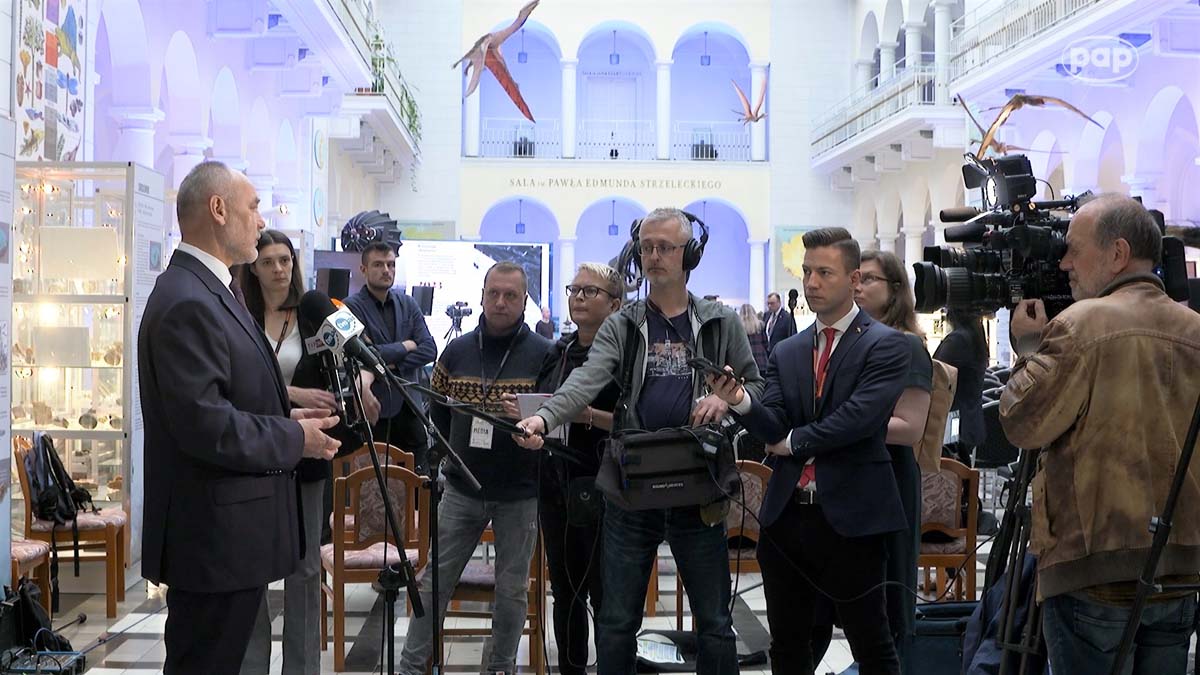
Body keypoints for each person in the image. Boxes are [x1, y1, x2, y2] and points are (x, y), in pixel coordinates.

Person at [516, 207, 765, 675]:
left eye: (665, 247)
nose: (653, 256)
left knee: (714, 622)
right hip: (633, 486)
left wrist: (726, 399)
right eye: (646, 247)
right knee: (615, 622)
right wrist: (545, 418)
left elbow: (758, 387)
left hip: (700, 484)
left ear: (688, 254)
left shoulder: (720, 322)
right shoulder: (623, 324)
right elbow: (588, 378)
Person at [138, 161, 341, 674]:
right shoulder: (189, 299)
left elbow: (230, 395)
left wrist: (289, 407)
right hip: (211, 538)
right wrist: (295, 437)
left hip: (229, 537)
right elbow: (206, 424)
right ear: (219, 210)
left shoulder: (213, 291)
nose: (259, 218)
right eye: (252, 207)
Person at [999, 195, 1200, 675]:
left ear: (1117, 254)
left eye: (1073, 249)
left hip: (1094, 571)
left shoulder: (1080, 324)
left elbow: (1024, 423)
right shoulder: (1195, 329)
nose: (1064, 263)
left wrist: (1028, 349)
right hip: (1180, 567)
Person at [708, 227, 910, 675]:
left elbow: (860, 418)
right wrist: (740, 399)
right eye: (806, 272)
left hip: (853, 518)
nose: (811, 282)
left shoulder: (888, 344)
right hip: (788, 519)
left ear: (854, 279)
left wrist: (795, 442)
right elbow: (774, 419)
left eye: (824, 272)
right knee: (789, 644)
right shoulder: (788, 349)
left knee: (871, 642)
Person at [236, 230, 381, 675]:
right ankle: (252, 665)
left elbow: (366, 352)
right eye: (268, 262)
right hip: (257, 453)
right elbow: (238, 385)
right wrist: (294, 393)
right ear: (253, 269)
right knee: (253, 572)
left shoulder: (316, 310)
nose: (279, 269)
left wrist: (365, 382)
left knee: (304, 570)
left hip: (310, 453)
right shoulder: (240, 314)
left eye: (285, 260)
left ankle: (301, 669)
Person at [397, 261, 552, 675]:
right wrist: (454, 459)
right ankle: (412, 667)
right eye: (493, 294)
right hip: (462, 488)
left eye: (511, 296)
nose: (500, 303)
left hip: (520, 491)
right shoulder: (458, 350)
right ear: (483, 296)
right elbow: (438, 413)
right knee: (434, 582)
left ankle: (501, 667)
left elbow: (556, 418)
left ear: (524, 301)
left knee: (512, 590)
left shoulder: (545, 355)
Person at [504, 263, 622, 675]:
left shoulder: (622, 356)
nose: (578, 297)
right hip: (556, 480)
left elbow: (633, 419)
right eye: (575, 289)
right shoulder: (559, 350)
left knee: (605, 594)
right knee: (565, 590)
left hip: (604, 481)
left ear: (615, 304)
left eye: (590, 292)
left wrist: (587, 414)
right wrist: (528, 414)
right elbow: (550, 406)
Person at [852, 249, 933, 672]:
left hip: (890, 481)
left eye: (869, 279)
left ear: (895, 289)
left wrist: (840, 426)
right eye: (856, 279)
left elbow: (909, 428)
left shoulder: (907, 347)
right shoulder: (852, 341)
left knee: (888, 602)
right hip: (852, 478)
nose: (858, 286)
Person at [342, 241, 437, 470]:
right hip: (374, 412)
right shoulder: (348, 308)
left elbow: (429, 349)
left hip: (410, 409)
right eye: (378, 264)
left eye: (391, 264)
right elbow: (359, 355)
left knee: (416, 489)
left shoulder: (409, 304)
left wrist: (381, 364)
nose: (386, 270)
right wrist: (405, 346)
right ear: (363, 269)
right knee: (373, 491)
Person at [932, 309, 988, 464]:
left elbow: (936, 376)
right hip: (969, 419)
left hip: (953, 423)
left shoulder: (958, 340)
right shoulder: (976, 337)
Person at [740, 303, 769, 373]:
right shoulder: (760, 325)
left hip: (746, 361)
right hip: (761, 360)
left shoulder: (739, 327)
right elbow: (766, 344)